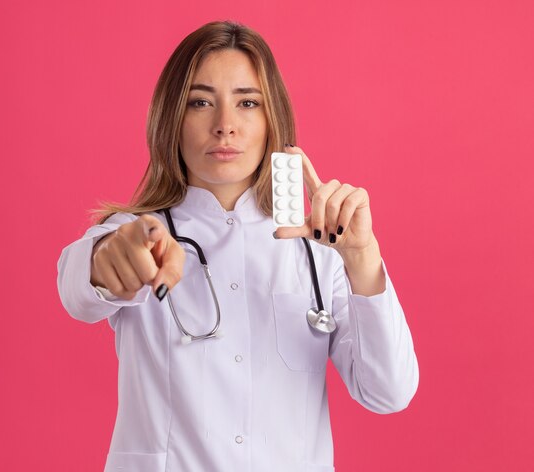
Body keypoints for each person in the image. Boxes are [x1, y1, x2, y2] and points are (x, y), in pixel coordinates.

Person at [57, 20, 419, 472]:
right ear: (172, 118)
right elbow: (78, 290)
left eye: (247, 102)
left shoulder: (320, 252)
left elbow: (388, 392)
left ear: (273, 121)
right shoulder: (136, 232)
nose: (224, 126)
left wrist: (363, 258)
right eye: (201, 102)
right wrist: (114, 256)